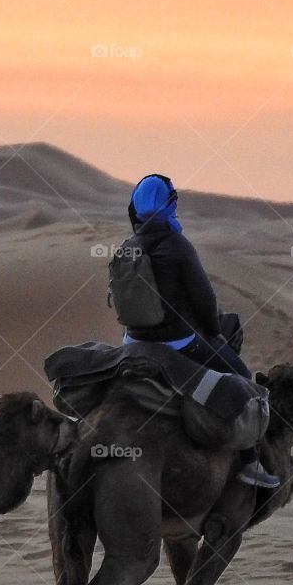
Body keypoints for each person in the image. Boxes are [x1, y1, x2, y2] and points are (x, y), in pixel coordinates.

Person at [121, 173, 277, 488]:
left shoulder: (129, 245)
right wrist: (214, 333)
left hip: (131, 342)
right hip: (178, 344)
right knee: (244, 380)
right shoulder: (177, 245)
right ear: (168, 206)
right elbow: (205, 300)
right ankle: (250, 461)